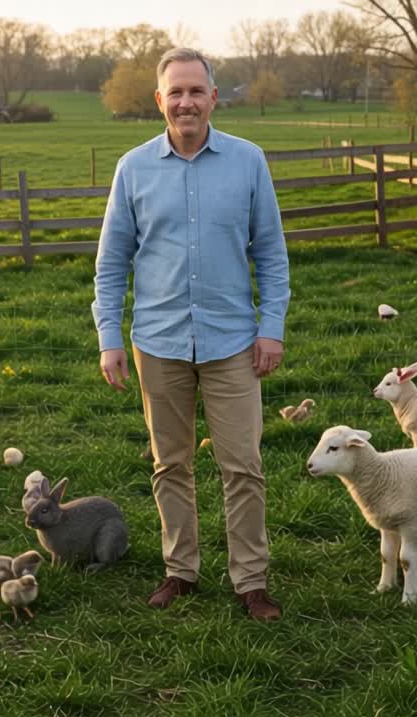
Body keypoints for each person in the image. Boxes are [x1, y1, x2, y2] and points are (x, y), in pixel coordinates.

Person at [91, 48, 290, 621]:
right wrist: (110, 336)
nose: (185, 102)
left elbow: (272, 255)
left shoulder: (249, 162)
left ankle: (250, 580)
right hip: (157, 342)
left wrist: (270, 329)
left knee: (243, 466)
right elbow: (111, 264)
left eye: (195, 91)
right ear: (159, 100)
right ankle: (181, 571)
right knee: (169, 463)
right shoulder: (133, 168)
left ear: (213, 98)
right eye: (174, 92)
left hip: (233, 342)